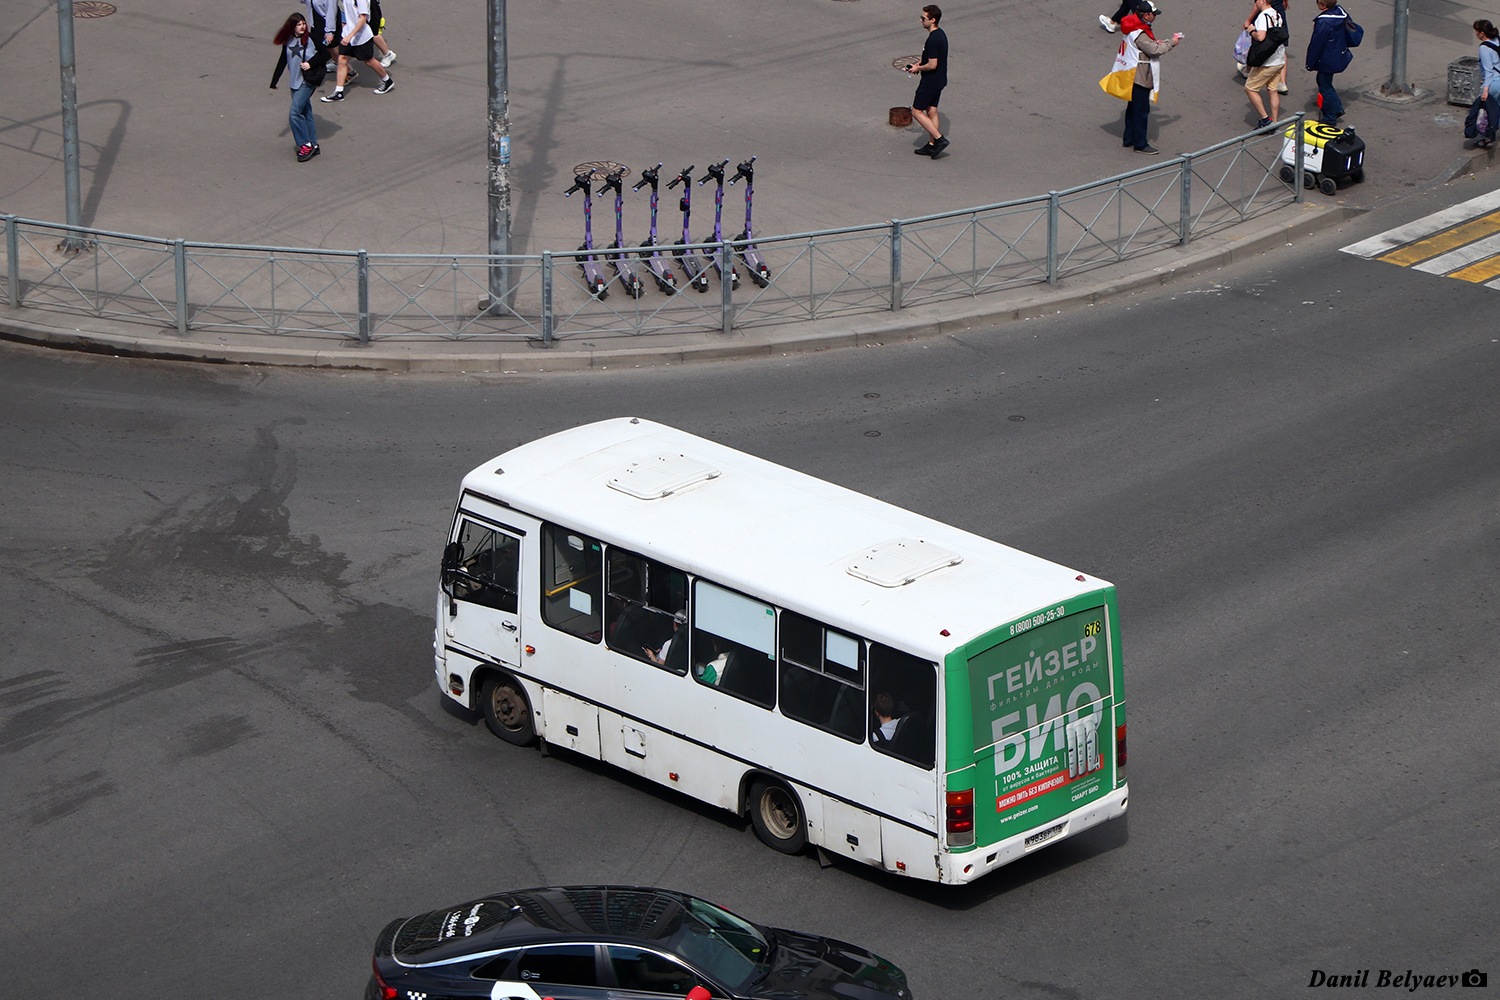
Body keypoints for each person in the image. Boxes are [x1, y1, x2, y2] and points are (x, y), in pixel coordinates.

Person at [1100, 0, 1181, 155]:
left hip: (1132, 74)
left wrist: (1155, 42)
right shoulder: (1141, 33)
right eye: (1153, 14)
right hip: (1139, 76)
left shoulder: (1134, 28)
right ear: (1146, 15)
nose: (1155, 17)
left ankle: (1129, 139)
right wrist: (1172, 42)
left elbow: (1148, 45)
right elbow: (1154, 50)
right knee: (1141, 111)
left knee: (1132, 109)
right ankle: (1140, 144)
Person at [270, 12, 330, 162]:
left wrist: (311, 64)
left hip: (307, 81)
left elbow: (325, 54)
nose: (302, 26)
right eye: (298, 24)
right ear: (292, 27)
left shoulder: (311, 39)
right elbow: (283, 60)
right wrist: (274, 81)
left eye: (303, 23)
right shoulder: (288, 41)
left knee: (294, 113)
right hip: (294, 82)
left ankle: (305, 144)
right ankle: (313, 144)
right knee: (305, 112)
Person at [321, 0, 392, 102]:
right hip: (347, 35)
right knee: (342, 60)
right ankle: (339, 92)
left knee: (369, 61)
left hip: (361, 37)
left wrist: (350, 36)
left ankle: (387, 80)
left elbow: (363, 19)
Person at [905, 5, 950, 157]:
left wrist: (918, 69)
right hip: (940, 79)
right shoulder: (941, 34)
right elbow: (932, 60)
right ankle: (932, 145)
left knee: (917, 111)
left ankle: (939, 139)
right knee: (932, 110)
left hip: (930, 81)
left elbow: (932, 65)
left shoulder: (932, 40)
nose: (921, 20)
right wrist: (919, 64)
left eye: (923, 18)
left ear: (932, 20)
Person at [1305, 0, 1353, 124]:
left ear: (1323, 5)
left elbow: (1316, 44)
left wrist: (1310, 63)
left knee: (1324, 85)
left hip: (1326, 59)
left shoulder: (1323, 22)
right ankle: (1336, 108)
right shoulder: (1340, 13)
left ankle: (1330, 117)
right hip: (1337, 54)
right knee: (1325, 82)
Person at [1245, 0, 1288, 128]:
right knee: (1272, 90)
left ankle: (1265, 119)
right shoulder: (1277, 14)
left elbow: (1261, 37)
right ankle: (1274, 121)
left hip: (1267, 62)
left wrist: (1251, 30)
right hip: (1279, 59)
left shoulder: (1263, 16)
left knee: (1250, 88)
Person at [1245, 0, 1292, 95]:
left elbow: (1260, 37)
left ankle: (1249, 67)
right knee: (1279, 45)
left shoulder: (1263, 14)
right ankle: (1281, 82)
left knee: (1262, 43)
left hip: (1267, 13)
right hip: (1279, 11)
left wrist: (1249, 20)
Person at [1466, 21, 1500, 148]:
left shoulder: (1484, 48)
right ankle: (1492, 132)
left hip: (1494, 83)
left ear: (1482, 33)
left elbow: (1488, 71)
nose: (1475, 34)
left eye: (1476, 31)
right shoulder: (1497, 40)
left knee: (1484, 112)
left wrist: (1485, 90)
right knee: (1496, 110)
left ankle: (1485, 139)